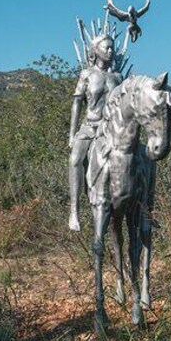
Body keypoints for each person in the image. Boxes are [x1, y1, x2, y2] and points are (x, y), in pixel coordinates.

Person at [68, 34, 122, 231]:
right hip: (90, 128)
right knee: (75, 160)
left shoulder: (118, 77)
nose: (110, 51)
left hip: (111, 130)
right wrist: (72, 134)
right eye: (106, 47)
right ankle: (74, 210)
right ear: (96, 50)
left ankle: (141, 208)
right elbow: (76, 104)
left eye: (112, 48)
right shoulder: (87, 74)